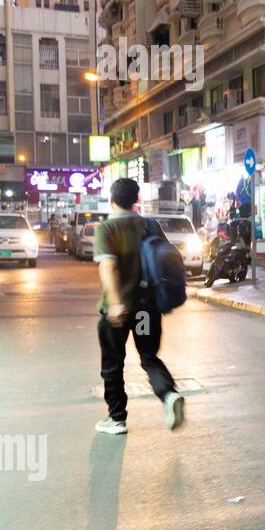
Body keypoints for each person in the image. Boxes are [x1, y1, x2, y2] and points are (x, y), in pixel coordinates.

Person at [93, 178, 184, 436]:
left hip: (118, 313)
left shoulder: (107, 228)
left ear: (112, 200)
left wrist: (115, 303)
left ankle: (117, 418)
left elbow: (108, 266)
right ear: (136, 199)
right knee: (148, 356)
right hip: (146, 310)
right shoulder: (149, 225)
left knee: (113, 362)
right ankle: (168, 395)